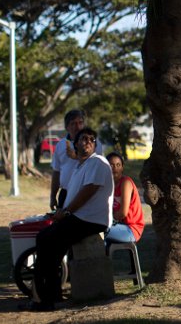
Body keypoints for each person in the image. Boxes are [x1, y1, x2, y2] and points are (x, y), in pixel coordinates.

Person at [27, 127, 113, 311]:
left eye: (92, 139)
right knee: (48, 242)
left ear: (95, 145)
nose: (88, 141)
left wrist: (65, 213)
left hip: (90, 220)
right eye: (84, 138)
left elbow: (88, 192)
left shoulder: (97, 162)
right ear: (75, 144)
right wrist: (61, 212)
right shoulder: (80, 165)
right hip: (78, 218)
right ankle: (50, 296)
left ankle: (44, 299)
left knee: (45, 239)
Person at [50, 109, 104, 210]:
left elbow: (96, 164)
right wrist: (53, 196)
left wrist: (76, 156)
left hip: (85, 192)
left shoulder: (93, 143)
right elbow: (56, 172)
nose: (77, 127)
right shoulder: (61, 145)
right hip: (65, 192)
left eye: (80, 123)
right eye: (73, 124)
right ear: (67, 127)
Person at [105, 152, 145, 244]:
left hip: (131, 229)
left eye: (118, 165)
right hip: (117, 226)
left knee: (98, 229)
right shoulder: (108, 185)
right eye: (111, 165)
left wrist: (104, 220)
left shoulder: (126, 182)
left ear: (122, 167)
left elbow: (123, 213)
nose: (115, 168)